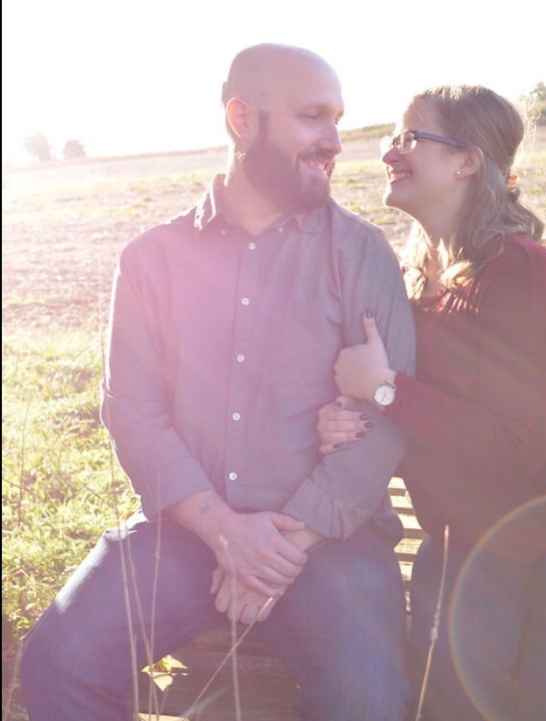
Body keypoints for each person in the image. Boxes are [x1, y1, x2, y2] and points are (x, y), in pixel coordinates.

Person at [19, 44, 415, 721]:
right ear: (241, 117)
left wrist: (285, 543)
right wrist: (224, 529)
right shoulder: (150, 262)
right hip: (185, 533)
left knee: (370, 703)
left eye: (338, 119)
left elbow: (386, 422)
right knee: (57, 662)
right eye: (313, 117)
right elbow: (134, 414)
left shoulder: (359, 253)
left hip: (328, 545)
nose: (336, 141)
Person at [317, 85, 546, 720]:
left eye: (412, 137)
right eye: (392, 138)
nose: (389, 151)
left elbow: (513, 447)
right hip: (480, 533)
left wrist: (384, 389)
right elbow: (414, 408)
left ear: (467, 160)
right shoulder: (410, 285)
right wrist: (348, 416)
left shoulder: (523, 270)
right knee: (448, 700)